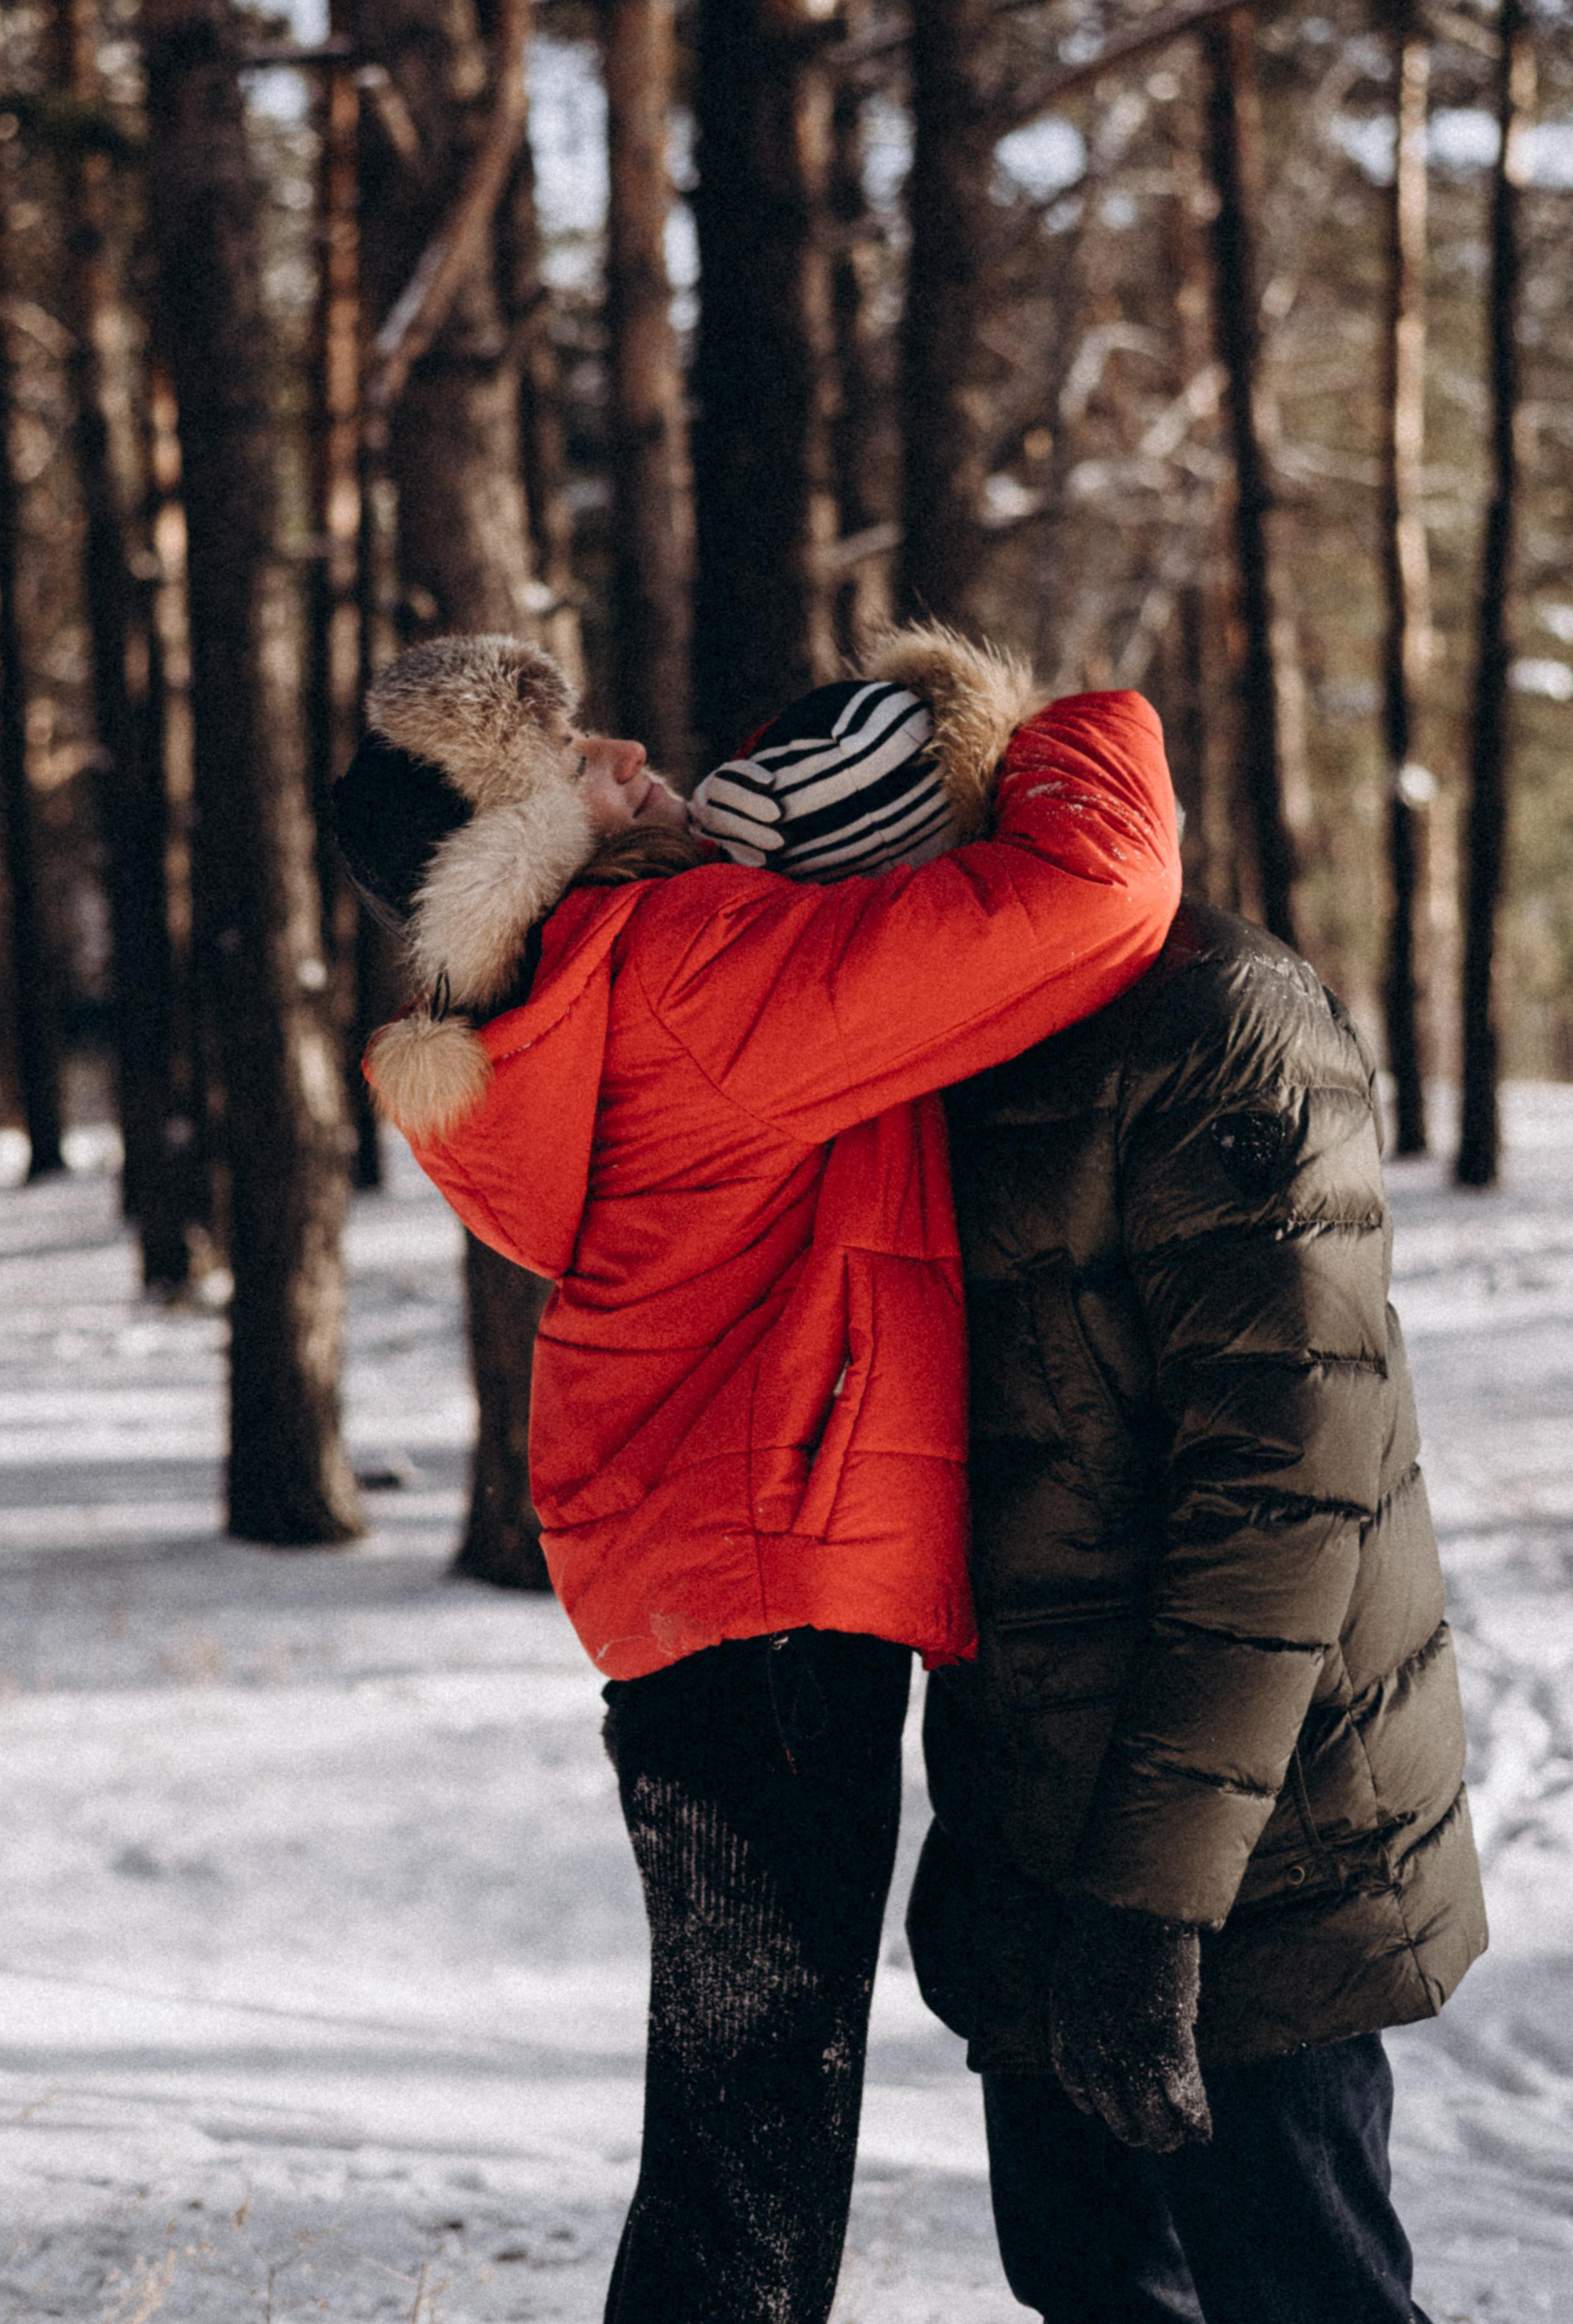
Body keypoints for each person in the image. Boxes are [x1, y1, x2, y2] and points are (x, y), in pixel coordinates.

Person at [329, 625, 1182, 2324]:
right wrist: (1065, 720)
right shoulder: (693, 968)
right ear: (520, 844)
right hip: (767, 1593)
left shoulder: (589, 995)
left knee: (741, 2113)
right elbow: (1092, 899)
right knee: (752, 2139)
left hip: (706, 1584)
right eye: (588, 765)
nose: (639, 757)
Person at [905, 898, 1489, 2324]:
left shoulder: (1215, 1022)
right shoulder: (916, 1036)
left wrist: (1149, 1911)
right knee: (1088, 2284)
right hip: (1031, 1820)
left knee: (1299, 2290)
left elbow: (1280, 1491)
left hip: (1261, 1845)